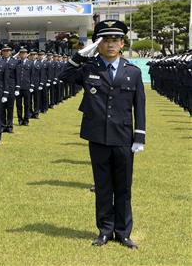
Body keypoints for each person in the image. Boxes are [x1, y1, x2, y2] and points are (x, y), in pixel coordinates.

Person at [59, 20, 146, 249]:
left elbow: (140, 107)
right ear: (98, 44)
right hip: (97, 137)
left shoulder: (133, 72)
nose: (110, 45)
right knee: (104, 187)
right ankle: (105, 230)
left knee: (124, 188)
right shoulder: (89, 69)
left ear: (122, 43)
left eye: (115, 40)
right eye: (105, 40)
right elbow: (65, 76)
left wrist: (139, 137)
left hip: (124, 137)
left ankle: (124, 232)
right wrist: (79, 56)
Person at [0, 44, 18, 132]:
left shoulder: (15, 62)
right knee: (1, 108)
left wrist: (17, 88)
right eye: (4, 51)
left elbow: (17, 76)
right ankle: (2, 125)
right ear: (2, 52)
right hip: (1, 87)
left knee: (10, 108)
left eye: (8, 51)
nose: (6, 52)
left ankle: (10, 126)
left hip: (11, 87)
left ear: (10, 52)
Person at [15, 47, 33, 126]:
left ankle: (26, 119)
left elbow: (32, 75)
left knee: (27, 104)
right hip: (18, 87)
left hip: (27, 87)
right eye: (21, 53)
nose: (23, 55)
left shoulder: (30, 63)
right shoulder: (16, 63)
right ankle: (20, 119)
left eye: (24, 53)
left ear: (27, 54)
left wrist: (32, 85)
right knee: (18, 104)